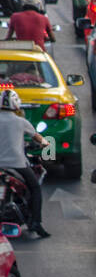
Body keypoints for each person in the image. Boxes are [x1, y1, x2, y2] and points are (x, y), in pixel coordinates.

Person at [0, 90, 48, 238]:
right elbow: (38, 138)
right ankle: (36, 223)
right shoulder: (21, 122)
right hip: (17, 164)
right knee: (35, 188)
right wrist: (45, 144)